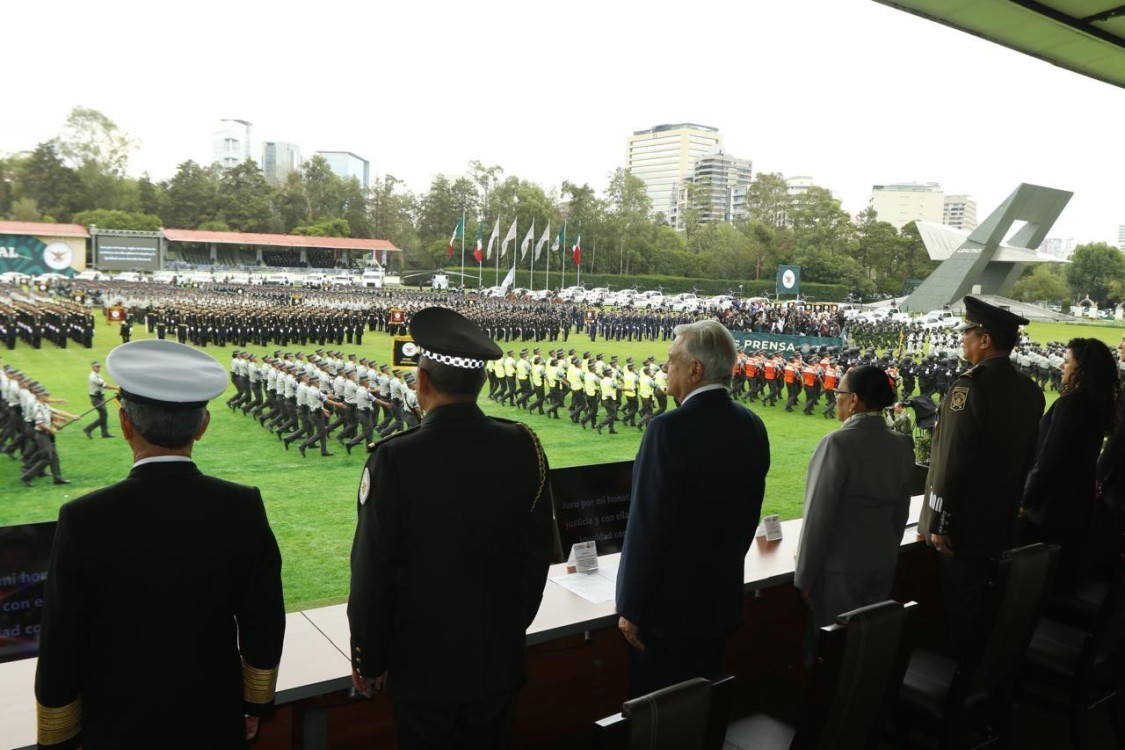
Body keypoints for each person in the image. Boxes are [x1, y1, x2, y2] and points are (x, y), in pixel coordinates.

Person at [35, 339, 286, 749]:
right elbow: (264, 618)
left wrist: (60, 731)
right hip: (212, 715)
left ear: (124, 423)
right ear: (202, 426)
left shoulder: (85, 517)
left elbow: (61, 637)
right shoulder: (241, 506)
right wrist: (254, 703)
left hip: (117, 722)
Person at [348, 307, 554, 749]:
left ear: (421, 382)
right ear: (481, 383)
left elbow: (372, 570)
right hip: (497, 662)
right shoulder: (524, 446)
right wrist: (506, 627)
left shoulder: (395, 458)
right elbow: (536, 556)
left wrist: (369, 656)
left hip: (422, 670)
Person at [615, 319, 770, 697]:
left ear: (695, 370)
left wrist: (631, 606)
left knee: (663, 720)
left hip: (667, 615)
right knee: (703, 712)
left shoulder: (667, 430)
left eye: (672, 360)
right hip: (719, 602)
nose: (666, 368)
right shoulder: (752, 424)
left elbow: (647, 526)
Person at [922, 296, 1045, 649]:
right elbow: (1027, 458)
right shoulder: (1030, 390)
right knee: (994, 609)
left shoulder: (970, 386)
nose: (963, 338)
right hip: (1002, 519)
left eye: (968, 332)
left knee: (962, 612)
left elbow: (951, 460)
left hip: (965, 527)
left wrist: (940, 524)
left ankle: (963, 688)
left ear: (985, 340)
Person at [795, 365, 914, 635]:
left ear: (853, 400)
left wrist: (804, 576)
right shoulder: (901, 444)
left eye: (839, 391)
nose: (835, 396)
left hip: (840, 569)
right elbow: (900, 514)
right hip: (882, 562)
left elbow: (817, 516)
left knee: (835, 650)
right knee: (868, 644)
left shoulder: (836, 443)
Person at [1022, 338, 1120, 583]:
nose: (1061, 367)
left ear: (1081, 371)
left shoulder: (1071, 404)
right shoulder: (1096, 404)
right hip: (1077, 507)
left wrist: (1026, 499)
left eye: (1067, 363)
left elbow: (1049, 458)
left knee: (1039, 582)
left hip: (1051, 509)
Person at [82, 360, 118, 439]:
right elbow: (104, 385)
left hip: (100, 397)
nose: (98, 368)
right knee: (104, 416)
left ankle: (104, 433)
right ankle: (88, 429)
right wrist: (117, 388)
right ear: (92, 367)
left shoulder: (97, 374)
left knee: (103, 415)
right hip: (96, 398)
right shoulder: (93, 377)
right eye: (96, 366)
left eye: (99, 366)